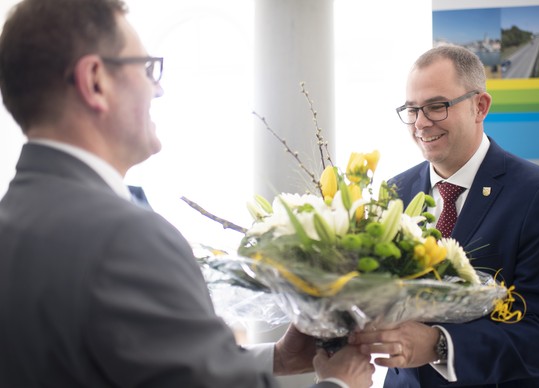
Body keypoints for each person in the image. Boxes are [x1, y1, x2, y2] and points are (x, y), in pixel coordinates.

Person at [0, 0, 374, 387]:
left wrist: (275, 358)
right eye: (147, 68)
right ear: (96, 81)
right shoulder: (127, 239)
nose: (157, 88)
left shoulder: (11, 223)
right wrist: (342, 383)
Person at [349, 45, 539, 387]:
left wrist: (440, 345)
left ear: (480, 106)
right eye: (412, 110)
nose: (421, 123)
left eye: (436, 106)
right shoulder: (393, 192)